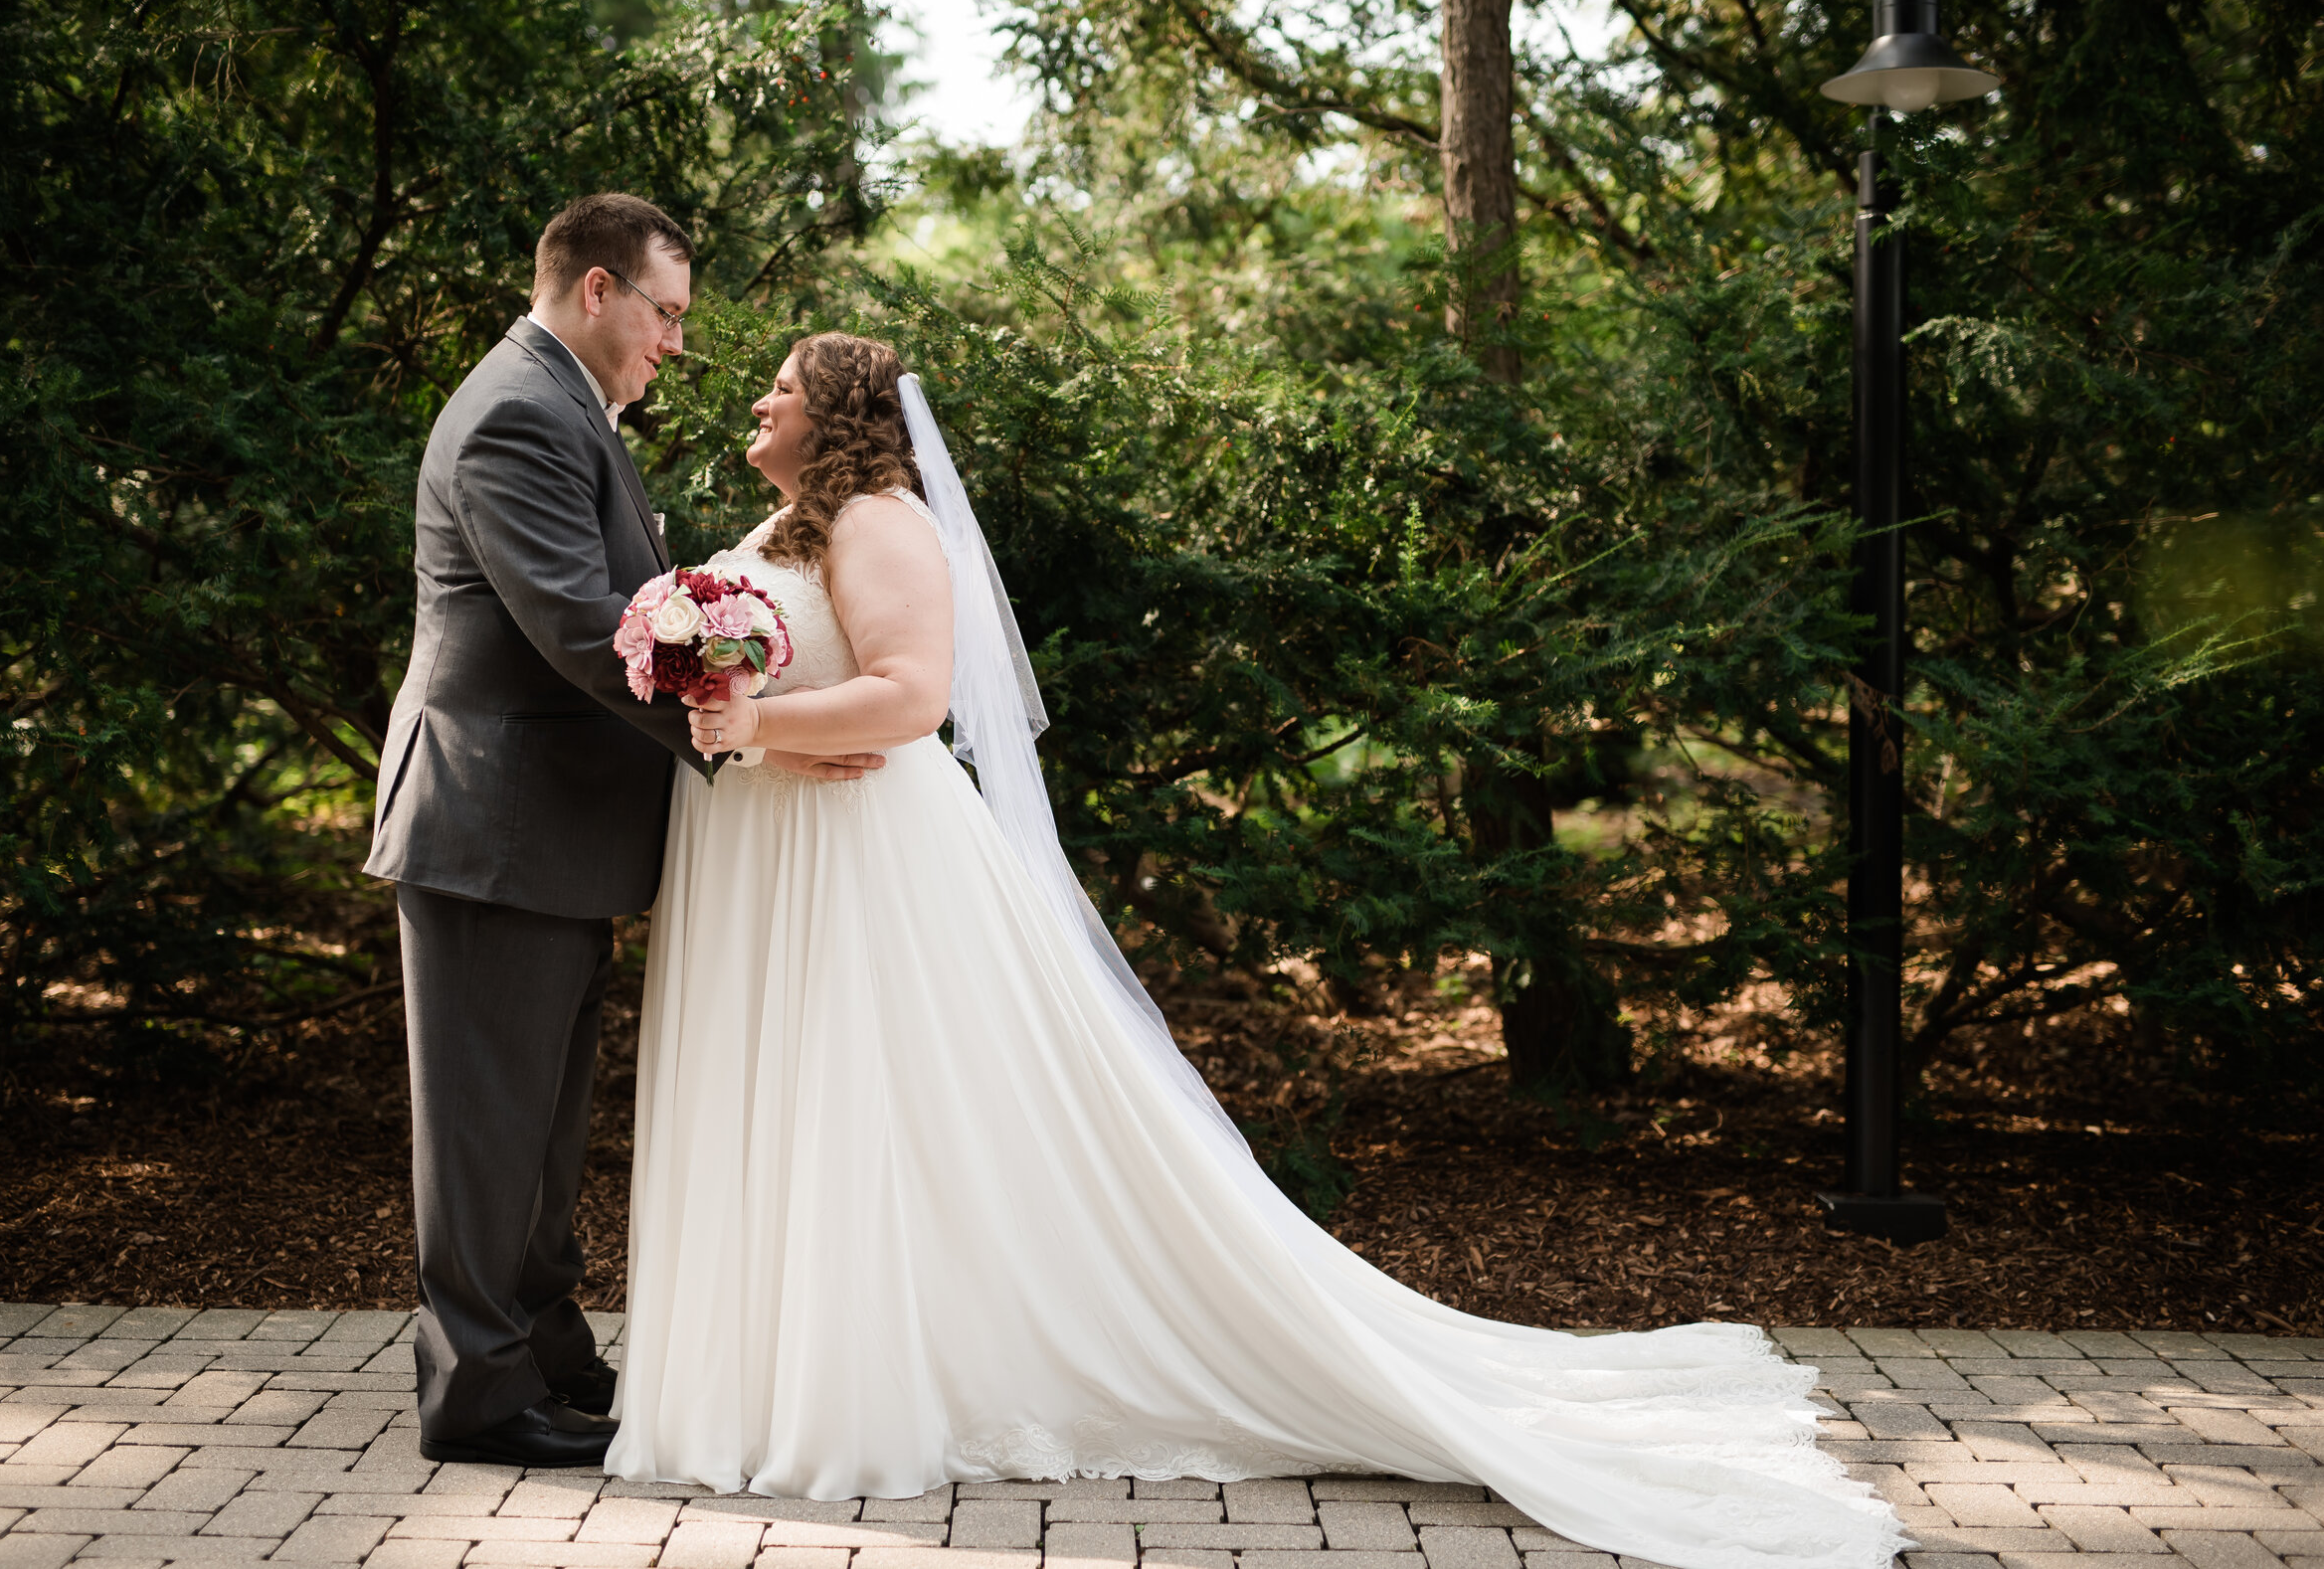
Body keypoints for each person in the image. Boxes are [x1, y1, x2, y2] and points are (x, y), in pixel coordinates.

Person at [604, 332, 1909, 1569]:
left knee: (853, 1114)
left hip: (856, 866)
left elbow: (912, 695)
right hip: (774, 860)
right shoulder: (782, 531)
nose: (758, 398)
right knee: (789, 1112)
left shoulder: (883, 520)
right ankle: (766, 1382)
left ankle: (840, 1397)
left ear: (835, 413)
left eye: (783, 385)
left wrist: (752, 725)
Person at [363, 196, 880, 1469]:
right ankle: (479, 1396)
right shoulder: (516, 415)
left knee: (538, 1124)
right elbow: (585, 628)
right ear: (599, 290)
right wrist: (758, 726)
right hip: (490, 821)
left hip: (547, 829)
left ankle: (544, 1353)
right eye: (667, 314)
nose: (676, 345)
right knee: (488, 1126)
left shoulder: (561, 405)